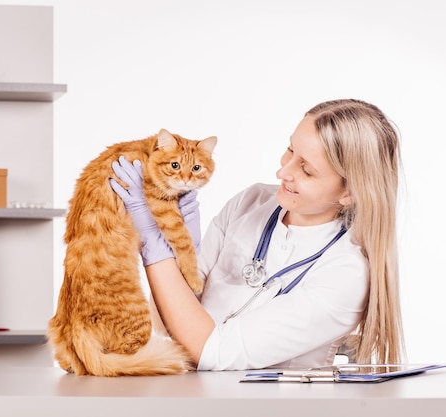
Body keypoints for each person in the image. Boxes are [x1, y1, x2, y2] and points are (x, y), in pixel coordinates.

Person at [110, 98, 405, 371]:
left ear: (348, 193)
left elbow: (213, 353)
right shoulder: (251, 202)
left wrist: (154, 249)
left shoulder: (346, 274)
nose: (283, 173)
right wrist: (180, 250)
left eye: (307, 170)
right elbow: (164, 321)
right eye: (290, 151)